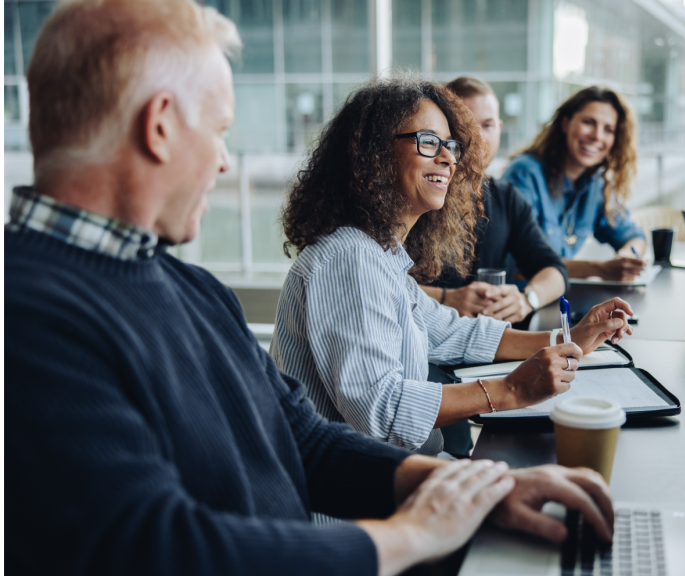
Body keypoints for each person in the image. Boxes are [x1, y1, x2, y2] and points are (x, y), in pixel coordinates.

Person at [4, 2, 616, 576]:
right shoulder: (27, 317)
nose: (223, 162)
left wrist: (464, 489)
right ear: (160, 126)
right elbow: (166, 563)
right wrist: (417, 534)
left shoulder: (188, 287)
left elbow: (304, 438)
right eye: (219, 130)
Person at [270, 76, 635, 456]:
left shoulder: (379, 254)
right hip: (353, 503)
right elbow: (382, 411)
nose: (447, 157)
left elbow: (454, 334)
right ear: (372, 154)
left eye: (450, 145)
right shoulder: (349, 259)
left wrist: (569, 339)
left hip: (394, 474)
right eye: (428, 142)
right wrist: (511, 390)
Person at [419, 76, 567, 324]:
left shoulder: (506, 197)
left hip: (489, 346)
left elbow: (554, 271)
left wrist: (527, 299)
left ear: (499, 128)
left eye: (486, 125)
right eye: (464, 126)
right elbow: (381, 281)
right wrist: (446, 298)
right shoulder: (421, 193)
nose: (477, 137)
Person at [502, 86, 647, 281]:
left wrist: (628, 256)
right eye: (588, 122)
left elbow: (632, 235)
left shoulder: (596, 183)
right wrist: (600, 269)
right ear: (565, 124)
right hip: (519, 300)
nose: (597, 136)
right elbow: (521, 266)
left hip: (559, 296)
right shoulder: (525, 174)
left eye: (608, 129)